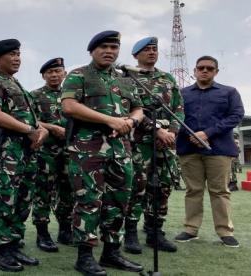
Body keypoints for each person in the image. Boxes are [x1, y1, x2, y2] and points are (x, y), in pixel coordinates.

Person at [61, 30, 144, 275]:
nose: (109, 51)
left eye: (114, 47)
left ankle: (112, 253)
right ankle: (84, 256)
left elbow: (139, 108)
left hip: (121, 149)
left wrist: (131, 122)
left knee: (118, 202)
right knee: (89, 202)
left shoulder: (126, 80)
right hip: (88, 149)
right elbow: (69, 106)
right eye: (104, 47)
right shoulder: (79, 75)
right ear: (92, 50)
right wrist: (110, 120)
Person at [0, 38, 48, 272]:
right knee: (4, 200)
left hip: (26, 154)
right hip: (5, 153)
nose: (17, 58)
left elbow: (30, 119)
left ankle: (14, 244)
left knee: (23, 200)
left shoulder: (18, 86)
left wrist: (41, 130)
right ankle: (1, 250)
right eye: (11, 54)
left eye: (18, 54)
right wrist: (29, 130)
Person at [175, 55, 244, 248]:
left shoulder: (229, 92)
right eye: (201, 68)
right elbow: (176, 116)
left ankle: (225, 231)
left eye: (209, 68)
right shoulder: (182, 93)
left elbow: (236, 116)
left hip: (219, 149)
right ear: (195, 71)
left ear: (216, 71)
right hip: (188, 149)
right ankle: (190, 229)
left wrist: (206, 133)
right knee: (193, 190)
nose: (205, 71)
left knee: (220, 191)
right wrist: (189, 134)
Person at [124, 37, 183, 254]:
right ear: (135, 55)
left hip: (166, 144)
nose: (152, 52)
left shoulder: (167, 78)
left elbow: (178, 108)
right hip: (139, 143)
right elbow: (129, 109)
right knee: (136, 188)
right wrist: (156, 130)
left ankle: (155, 232)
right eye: (146, 50)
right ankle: (130, 232)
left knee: (162, 188)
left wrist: (171, 133)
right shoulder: (127, 78)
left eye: (154, 49)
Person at [30, 57, 74, 252]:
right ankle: (42, 233)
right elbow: (30, 121)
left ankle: (65, 229)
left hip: (71, 151)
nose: (54, 75)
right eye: (50, 72)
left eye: (58, 71)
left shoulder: (72, 96)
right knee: (43, 192)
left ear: (64, 74)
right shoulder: (35, 95)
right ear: (43, 75)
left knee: (69, 191)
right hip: (45, 152)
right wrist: (52, 128)